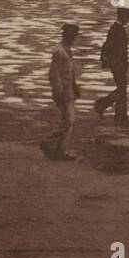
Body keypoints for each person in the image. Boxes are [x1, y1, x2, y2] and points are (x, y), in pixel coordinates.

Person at [42, 23, 79, 161]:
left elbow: (70, 73)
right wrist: (59, 91)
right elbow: (53, 75)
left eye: (74, 36)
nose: (73, 38)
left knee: (68, 120)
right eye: (71, 36)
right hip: (62, 92)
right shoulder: (59, 52)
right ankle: (49, 142)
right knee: (69, 120)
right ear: (66, 36)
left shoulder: (66, 50)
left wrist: (75, 88)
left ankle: (60, 151)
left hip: (68, 91)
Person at [95, 6, 129, 125]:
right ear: (122, 17)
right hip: (118, 64)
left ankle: (118, 116)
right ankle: (117, 115)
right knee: (122, 90)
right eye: (127, 17)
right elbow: (109, 46)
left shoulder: (116, 28)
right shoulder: (117, 29)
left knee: (122, 90)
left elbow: (106, 45)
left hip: (118, 63)